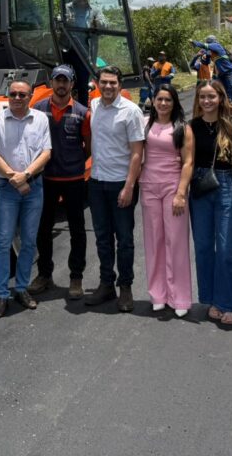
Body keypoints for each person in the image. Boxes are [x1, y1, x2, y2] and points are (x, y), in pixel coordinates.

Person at [0, 79, 52, 318]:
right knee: (3, 241)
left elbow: (46, 152)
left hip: (34, 187)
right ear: (7, 95)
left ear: (30, 96)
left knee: (29, 241)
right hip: (7, 187)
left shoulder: (40, 119)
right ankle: (2, 294)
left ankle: (21, 288)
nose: (17, 98)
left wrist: (26, 175)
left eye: (22, 94)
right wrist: (14, 176)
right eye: (13, 94)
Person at [86, 65, 145, 312]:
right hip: (97, 183)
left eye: (113, 82)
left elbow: (137, 153)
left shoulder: (131, 111)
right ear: (97, 84)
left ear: (120, 85)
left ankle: (126, 287)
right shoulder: (95, 106)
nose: (108, 86)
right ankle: (106, 283)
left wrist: (129, 186)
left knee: (125, 240)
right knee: (102, 238)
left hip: (122, 184)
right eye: (104, 82)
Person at [31, 65, 91, 300]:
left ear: (72, 84)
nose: (61, 84)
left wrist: (74, 163)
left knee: (77, 230)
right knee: (43, 229)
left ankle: (76, 276)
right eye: (58, 80)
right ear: (52, 83)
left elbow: (88, 146)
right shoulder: (38, 110)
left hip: (73, 179)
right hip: (45, 179)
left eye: (66, 80)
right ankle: (44, 274)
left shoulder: (82, 113)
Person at [189, 80, 232, 326]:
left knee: (227, 247)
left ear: (220, 98)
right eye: (203, 97)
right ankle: (211, 298)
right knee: (202, 246)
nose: (207, 101)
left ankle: (229, 302)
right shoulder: (191, 126)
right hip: (199, 185)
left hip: (224, 183)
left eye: (211, 96)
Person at [140, 83, 193, 317]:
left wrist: (181, 192)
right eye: (159, 99)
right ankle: (158, 294)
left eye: (168, 100)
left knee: (176, 243)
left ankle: (180, 297)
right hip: (149, 187)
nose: (163, 103)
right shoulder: (145, 124)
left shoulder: (182, 128)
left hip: (173, 187)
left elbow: (188, 162)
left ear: (175, 103)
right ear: (153, 101)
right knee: (154, 242)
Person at [193, 36, 232, 103]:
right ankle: (229, 106)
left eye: (208, 42)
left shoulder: (217, 46)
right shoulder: (211, 52)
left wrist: (195, 42)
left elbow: (204, 45)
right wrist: (203, 55)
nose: (208, 44)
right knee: (221, 91)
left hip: (229, 71)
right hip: (221, 74)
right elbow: (206, 62)